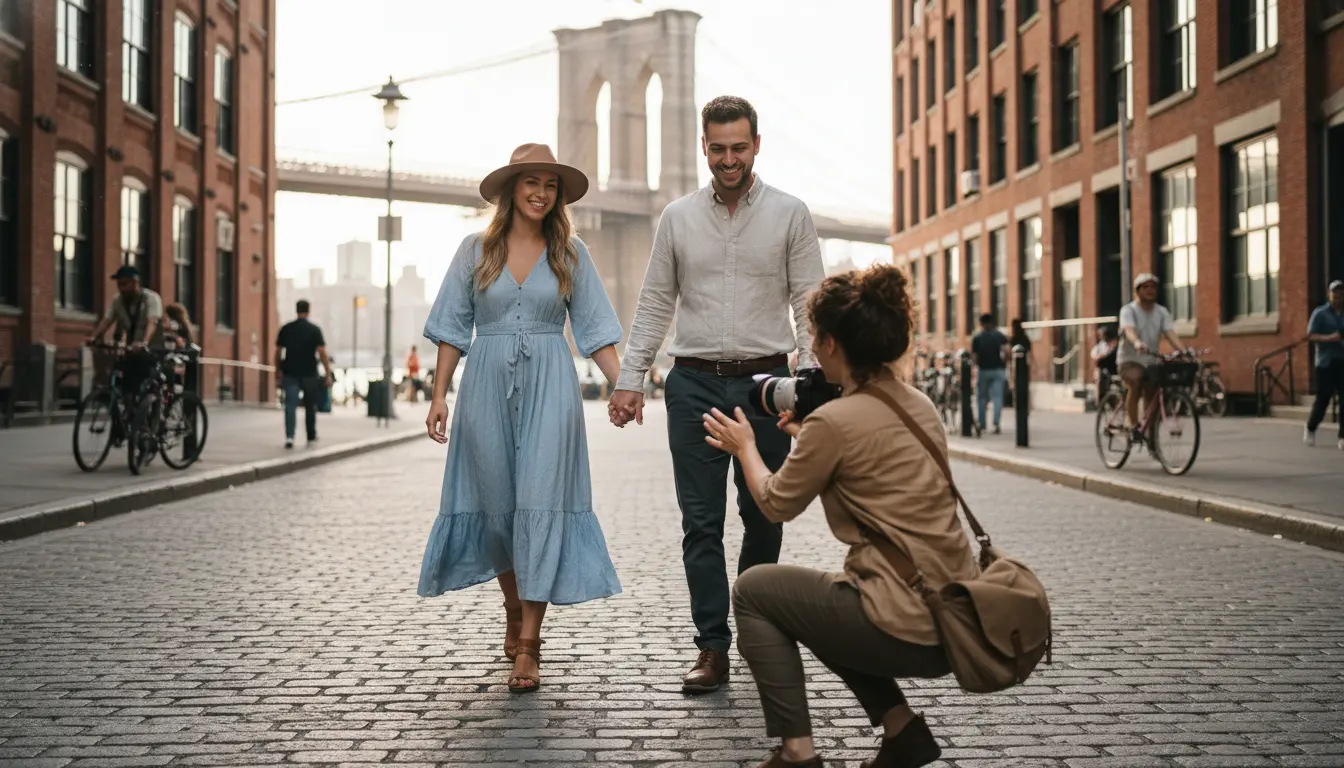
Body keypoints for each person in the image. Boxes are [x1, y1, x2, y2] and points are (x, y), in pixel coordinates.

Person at [700, 264, 977, 768]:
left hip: (905, 624)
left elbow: (775, 503)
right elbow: (874, 466)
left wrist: (745, 447)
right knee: (823, 598)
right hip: (955, 612)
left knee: (756, 591)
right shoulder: (918, 403)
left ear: (828, 344)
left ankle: (797, 754)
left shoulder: (834, 420)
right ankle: (903, 731)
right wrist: (809, 439)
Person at [607, 95, 827, 693]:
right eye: (718, 148)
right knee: (700, 524)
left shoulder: (790, 214)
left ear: (756, 145)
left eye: (739, 147)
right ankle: (711, 647)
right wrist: (631, 378)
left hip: (766, 388)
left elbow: (811, 306)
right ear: (704, 147)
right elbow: (655, 300)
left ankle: (757, 635)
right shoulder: (677, 217)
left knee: (765, 516)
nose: (729, 159)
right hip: (695, 383)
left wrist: (808, 387)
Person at [417, 143, 625, 694]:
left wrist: (623, 384)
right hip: (483, 384)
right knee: (495, 512)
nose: (540, 192)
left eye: (550, 184)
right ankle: (514, 606)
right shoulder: (475, 249)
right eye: (530, 182)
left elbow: (596, 328)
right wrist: (438, 396)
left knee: (540, 501)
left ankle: (529, 642)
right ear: (511, 189)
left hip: (551, 387)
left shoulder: (570, 252)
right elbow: (452, 327)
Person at [1117, 273, 1186, 439]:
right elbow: (1128, 330)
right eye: (1145, 287)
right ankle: (1132, 427)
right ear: (1137, 291)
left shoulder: (1161, 312)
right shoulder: (1129, 310)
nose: (1150, 290)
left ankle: (1150, 436)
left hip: (1151, 360)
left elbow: (1170, 333)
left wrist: (1184, 350)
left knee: (1153, 392)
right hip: (1129, 360)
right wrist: (1137, 343)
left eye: (1153, 287)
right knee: (1135, 381)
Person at [88, 265, 164, 395]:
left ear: (135, 282)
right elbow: (107, 320)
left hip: (152, 347)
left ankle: (153, 409)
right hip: (131, 347)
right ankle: (128, 411)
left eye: (125, 284)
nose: (121, 288)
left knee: (147, 382)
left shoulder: (151, 298)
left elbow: (152, 322)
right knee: (125, 380)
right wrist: (94, 336)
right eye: (119, 284)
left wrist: (144, 343)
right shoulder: (118, 300)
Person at [274, 299, 333, 449]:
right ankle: (311, 435)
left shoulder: (286, 329)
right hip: (309, 373)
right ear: (308, 311)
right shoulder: (314, 330)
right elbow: (322, 353)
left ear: (296, 310)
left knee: (290, 405)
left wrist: (277, 371)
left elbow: (278, 352)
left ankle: (289, 437)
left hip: (290, 372)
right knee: (310, 405)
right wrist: (328, 373)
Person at [1304, 279, 1344, 450]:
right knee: (1323, 398)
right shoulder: (1320, 313)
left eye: (1341, 294)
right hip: (1325, 363)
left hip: (1342, 360)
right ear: (1329, 294)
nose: (1338, 297)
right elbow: (1310, 336)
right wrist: (1329, 338)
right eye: (1335, 293)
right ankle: (1311, 428)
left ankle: (1342, 436)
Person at [969, 313, 1010, 434]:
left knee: (982, 398)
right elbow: (1007, 353)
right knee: (997, 397)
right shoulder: (1000, 336)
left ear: (981, 324)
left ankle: (982, 423)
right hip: (999, 370)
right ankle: (996, 423)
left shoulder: (977, 338)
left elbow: (975, 357)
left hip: (983, 370)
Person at [1090, 325, 1118, 402]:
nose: (1102, 336)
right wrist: (1102, 355)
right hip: (1102, 367)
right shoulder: (1100, 345)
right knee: (1099, 377)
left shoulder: (1113, 343)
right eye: (1101, 335)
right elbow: (1094, 355)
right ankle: (1099, 400)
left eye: (1103, 334)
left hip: (1112, 367)